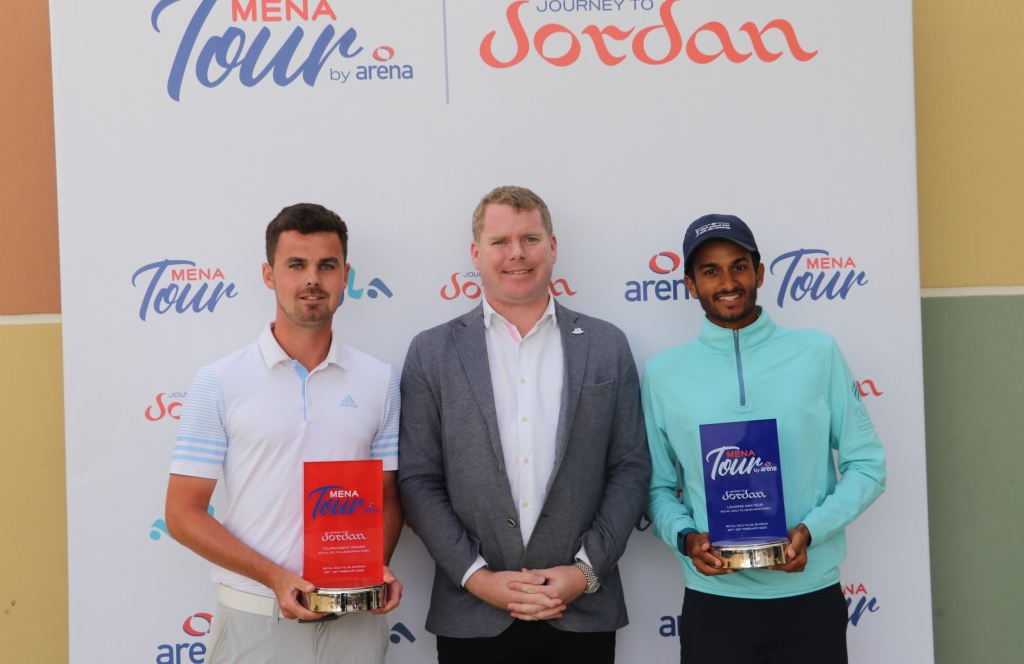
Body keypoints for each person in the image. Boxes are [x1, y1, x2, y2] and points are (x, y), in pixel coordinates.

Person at [398, 185, 650, 663]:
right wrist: (478, 578)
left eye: (530, 239)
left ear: (553, 247)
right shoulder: (432, 353)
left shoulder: (606, 344)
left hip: (580, 611)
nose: (516, 254)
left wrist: (585, 572)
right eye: (500, 242)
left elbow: (630, 467)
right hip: (473, 616)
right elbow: (418, 479)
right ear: (476, 253)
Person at [164, 203, 402, 664]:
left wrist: (370, 568)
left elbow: (387, 496)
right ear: (269, 275)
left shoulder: (380, 380)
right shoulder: (220, 380)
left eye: (326, 266)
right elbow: (181, 512)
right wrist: (275, 577)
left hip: (354, 620)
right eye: (296, 265)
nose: (312, 279)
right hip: (255, 620)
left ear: (345, 275)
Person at [643, 213, 886, 663]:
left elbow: (867, 465)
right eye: (709, 271)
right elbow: (656, 488)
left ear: (759, 272)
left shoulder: (817, 352)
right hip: (715, 605)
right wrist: (686, 538)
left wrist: (810, 531)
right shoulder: (663, 374)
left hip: (811, 598)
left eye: (739, 266)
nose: (727, 282)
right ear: (690, 284)